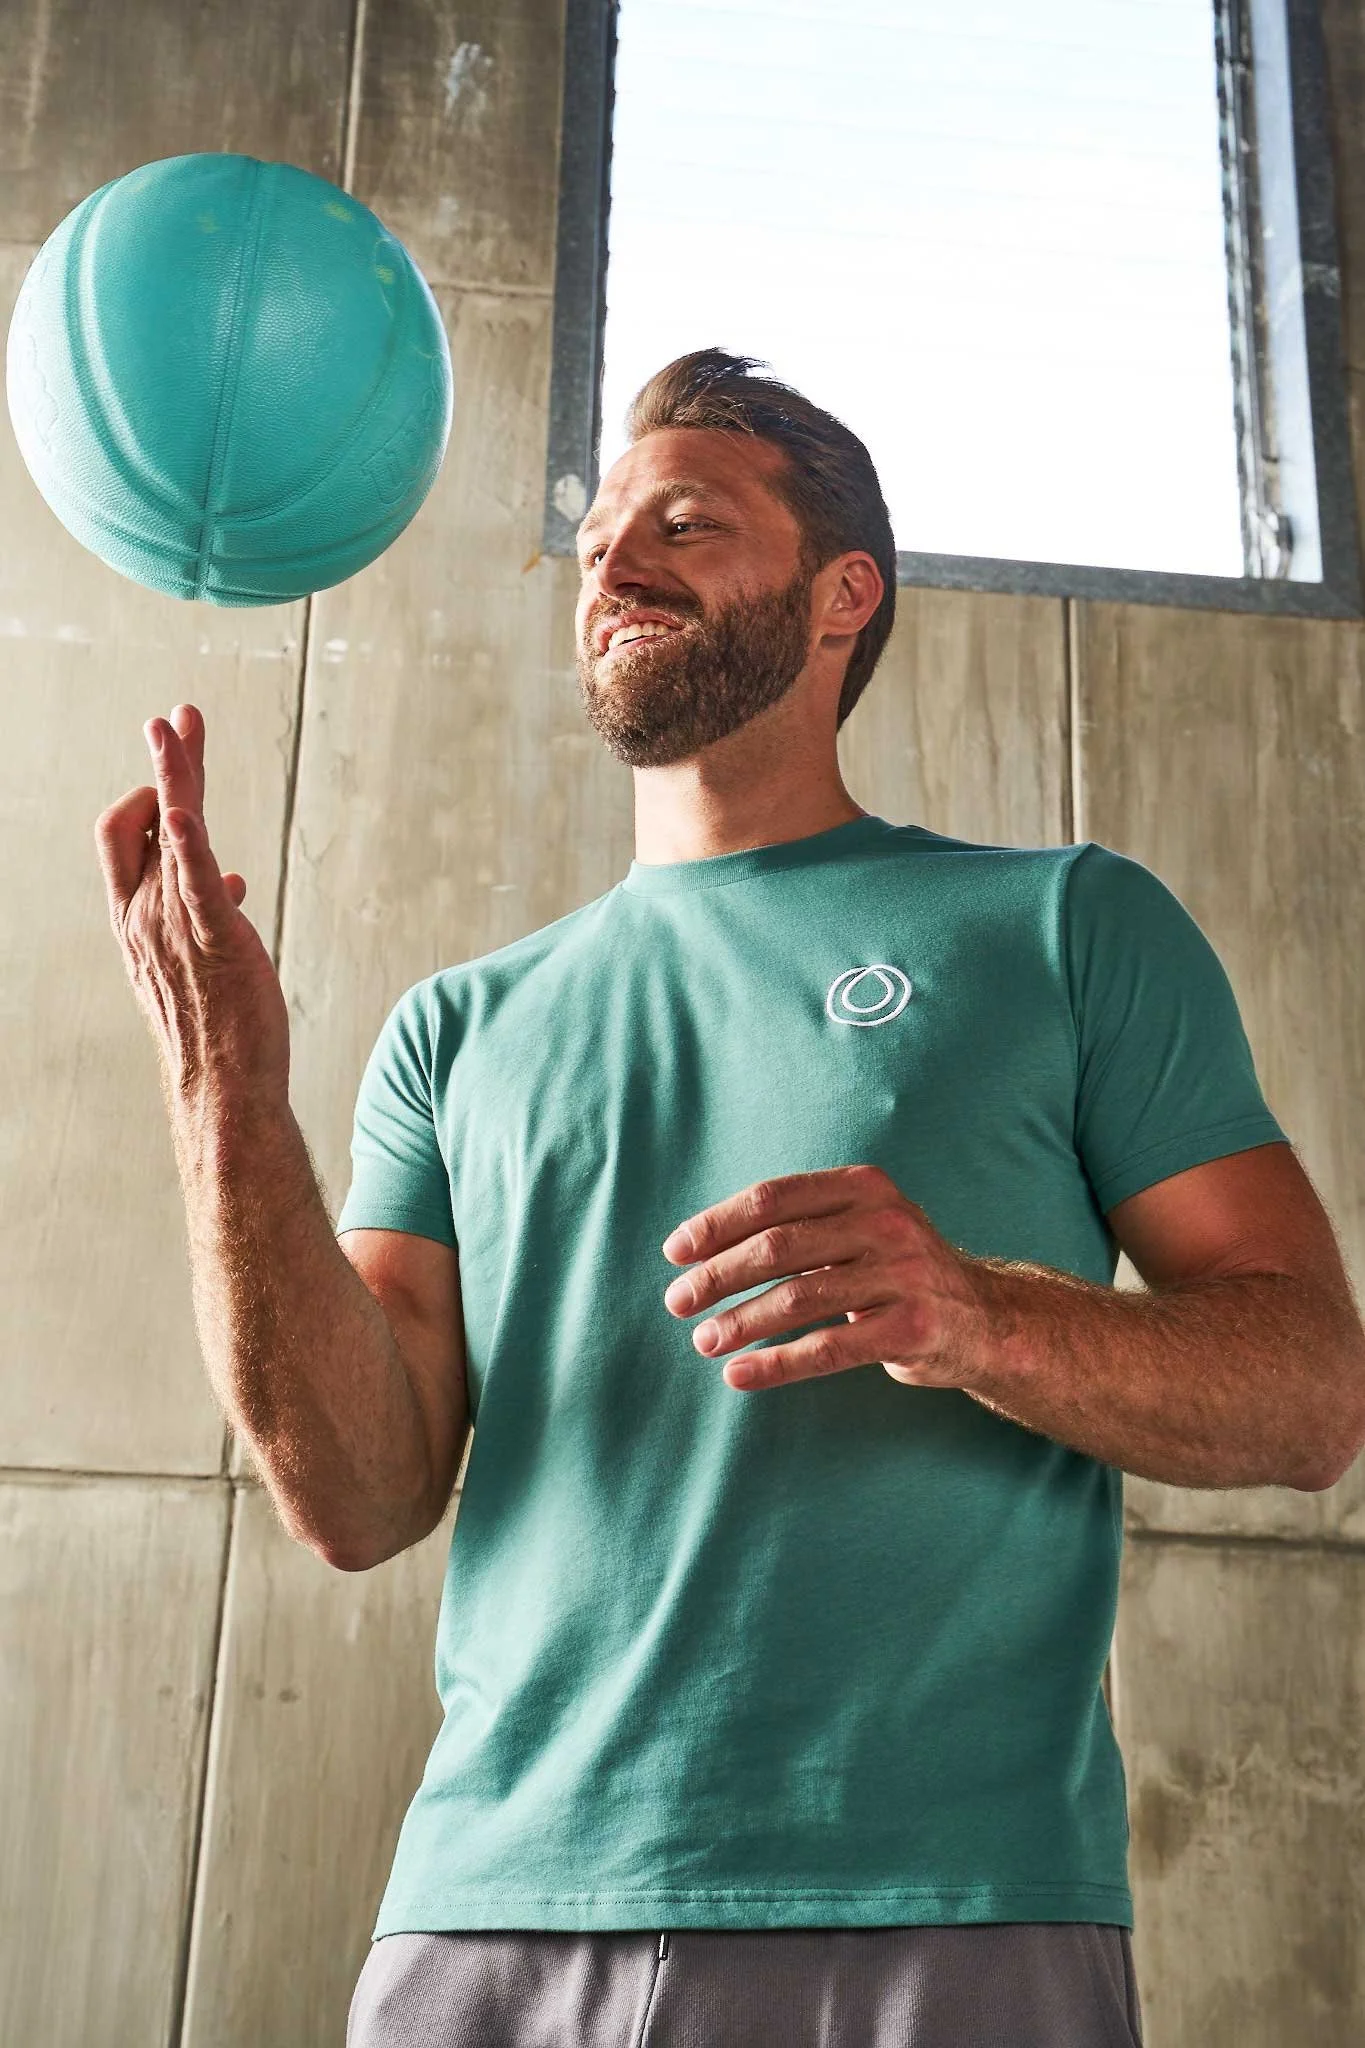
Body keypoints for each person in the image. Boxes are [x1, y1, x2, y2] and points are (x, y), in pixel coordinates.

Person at [97, 349, 1365, 2048]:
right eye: (602, 532)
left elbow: (1310, 1390)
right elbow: (355, 1491)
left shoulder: (1067, 929)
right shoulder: (457, 1029)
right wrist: (222, 1090)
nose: (613, 565)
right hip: (495, 1917)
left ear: (846, 595)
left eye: (684, 523)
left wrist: (985, 1317)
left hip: (942, 1915)